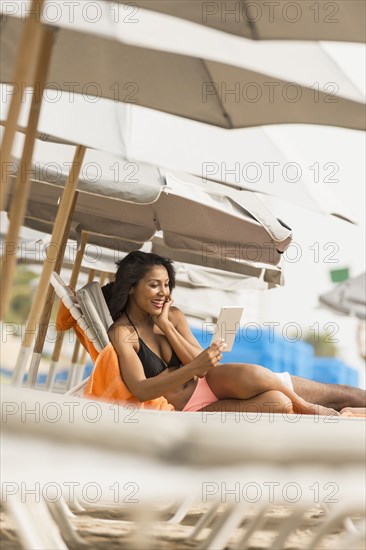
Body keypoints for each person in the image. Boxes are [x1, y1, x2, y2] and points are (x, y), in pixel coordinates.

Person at [103, 251, 365, 416]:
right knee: (280, 404)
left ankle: (314, 408)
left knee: (345, 393)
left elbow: (204, 368)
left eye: (167, 285)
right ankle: (338, 414)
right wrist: (189, 368)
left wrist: (168, 327)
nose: (164, 292)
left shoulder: (172, 316)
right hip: (192, 407)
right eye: (154, 285)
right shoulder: (123, 333)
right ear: (131, 288)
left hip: (216, 381)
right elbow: (141, 390)